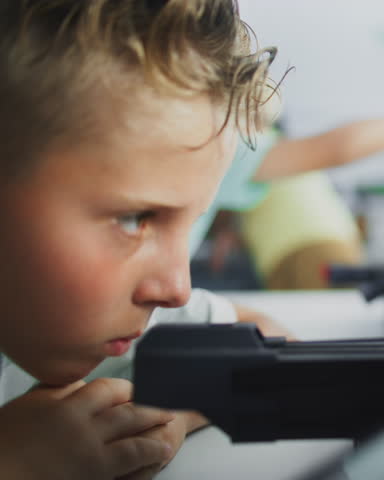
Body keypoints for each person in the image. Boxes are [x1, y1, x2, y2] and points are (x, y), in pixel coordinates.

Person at [0, 1, 284, 478]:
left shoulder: (98, 321)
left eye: (191, 223)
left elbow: (268, 344)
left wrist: (164, 416)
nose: (176, 288)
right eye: (133, 219)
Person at [200, 94, 384, 289]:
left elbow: (345, 144)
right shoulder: (268, 151)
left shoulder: (250, 148)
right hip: (331, 248)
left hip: (305, 255)